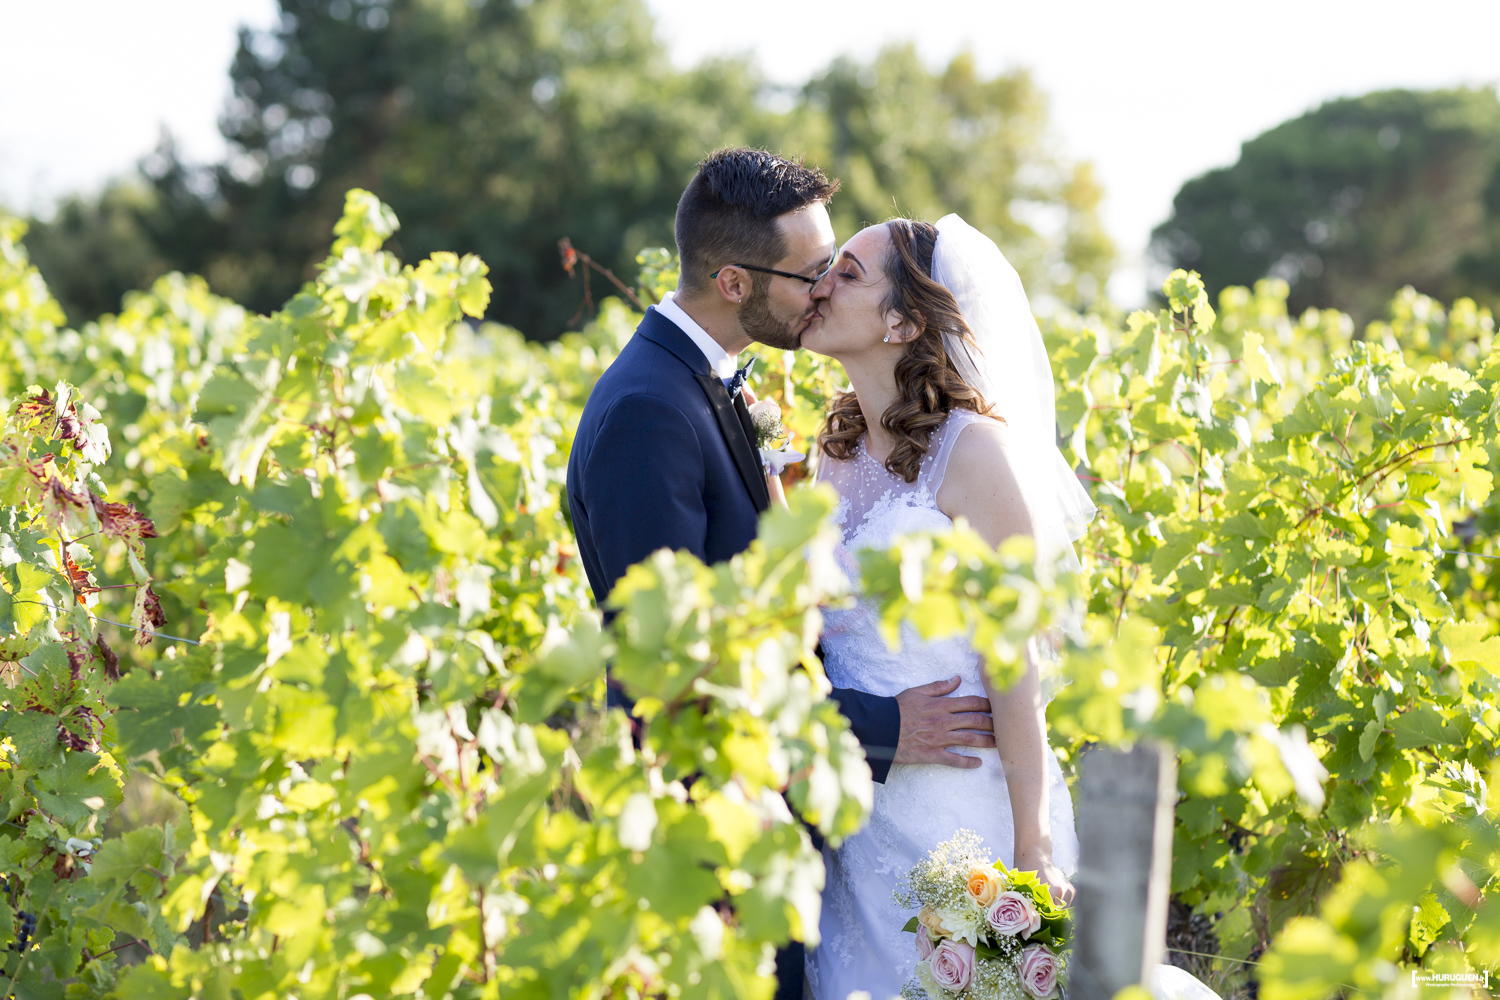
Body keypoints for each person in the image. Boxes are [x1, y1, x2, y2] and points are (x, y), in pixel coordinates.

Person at [565, 149, 1001, 1000]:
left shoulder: (705, 383)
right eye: (812, 273)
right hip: (709, 842)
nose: (826, 289)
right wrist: (883, 726)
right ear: (734, 282)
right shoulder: (651, 410)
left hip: (779, 819)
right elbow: (681, 668)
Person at [799, 215, 1220, 1000]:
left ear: (903, 322)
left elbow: (1015, 663)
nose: (820, 286)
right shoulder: (831, 452)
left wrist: (1033, 846)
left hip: (962, 804)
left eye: (848, 273)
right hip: (862, 809)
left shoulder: (974, 453)